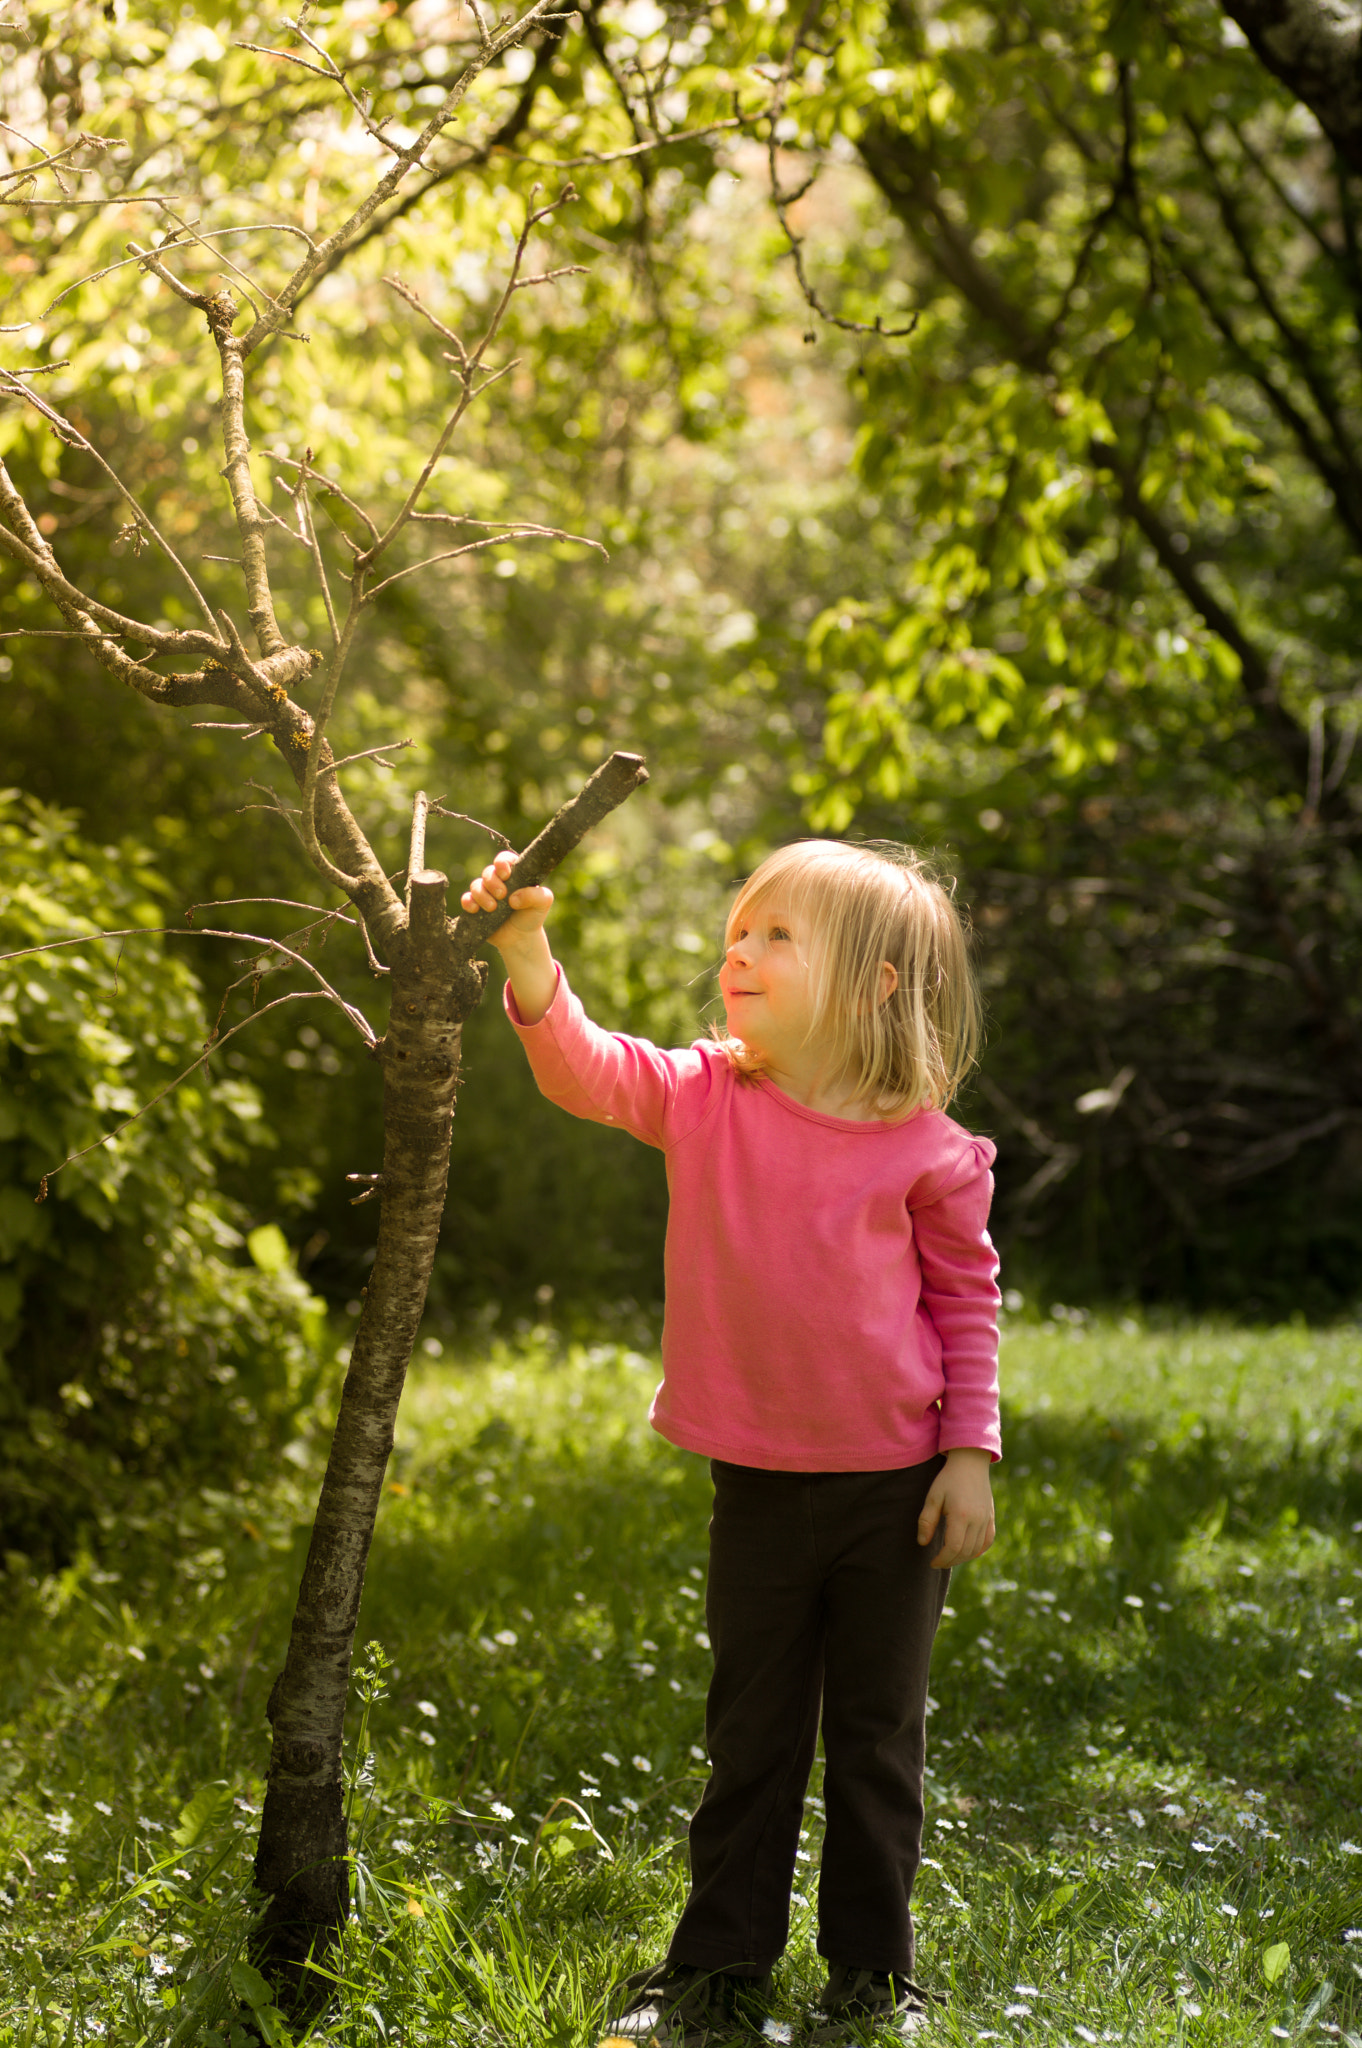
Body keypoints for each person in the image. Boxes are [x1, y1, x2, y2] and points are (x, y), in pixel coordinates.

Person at [460, 837, 1001, 2045]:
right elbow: (586, 1071)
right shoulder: (707, 1094)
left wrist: (970, 1452)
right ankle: (717, 1970)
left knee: (876, 1737)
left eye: (776, 936)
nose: (737, 952)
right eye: (738, 930)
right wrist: (527, 949)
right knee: (750, 1733)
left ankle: (874, 1971)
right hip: (758, 1481)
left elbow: (967, 1300)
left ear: (872, 982)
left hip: (897, 1487)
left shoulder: (923, 1145)